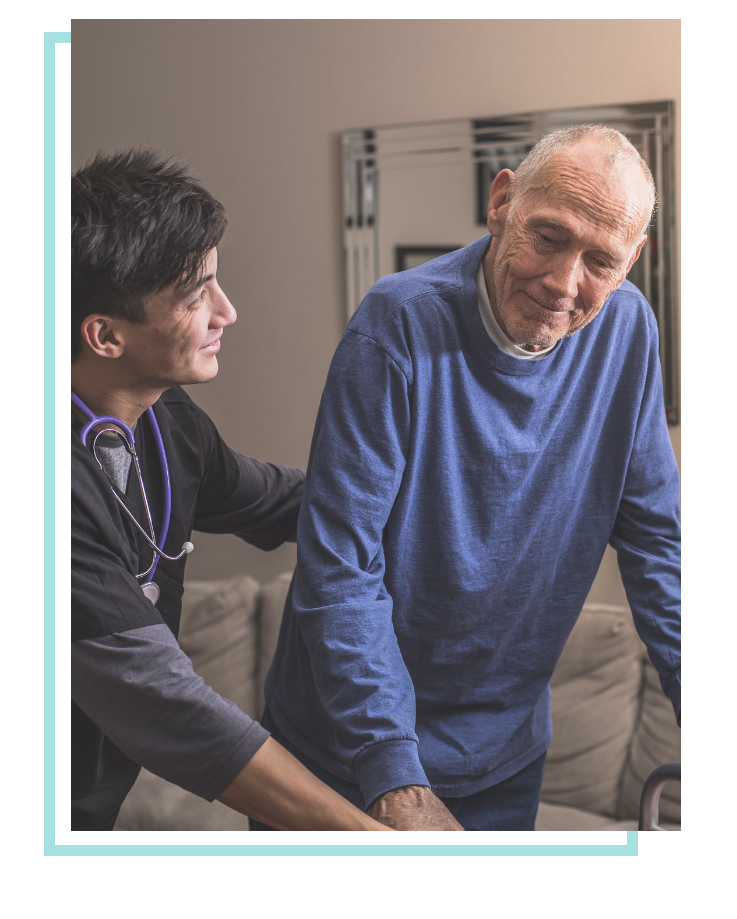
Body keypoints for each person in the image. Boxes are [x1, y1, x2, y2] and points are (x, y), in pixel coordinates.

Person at [253, 125, 681, 832]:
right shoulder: (396, 326)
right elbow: (339, 565)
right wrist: (393, 770)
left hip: (502, 757)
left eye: (600, 260)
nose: (562, 282)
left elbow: (658, 543)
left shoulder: (628, 332)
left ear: (633, 259)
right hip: (342, 751)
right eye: (547, 236)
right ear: (502, 200)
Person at [70, 149, 392, 833]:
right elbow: (173, 708)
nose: (228, 312)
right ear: (104, 335)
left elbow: (284, 501)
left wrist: (445, 506)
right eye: (196, 297)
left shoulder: (169, 423)